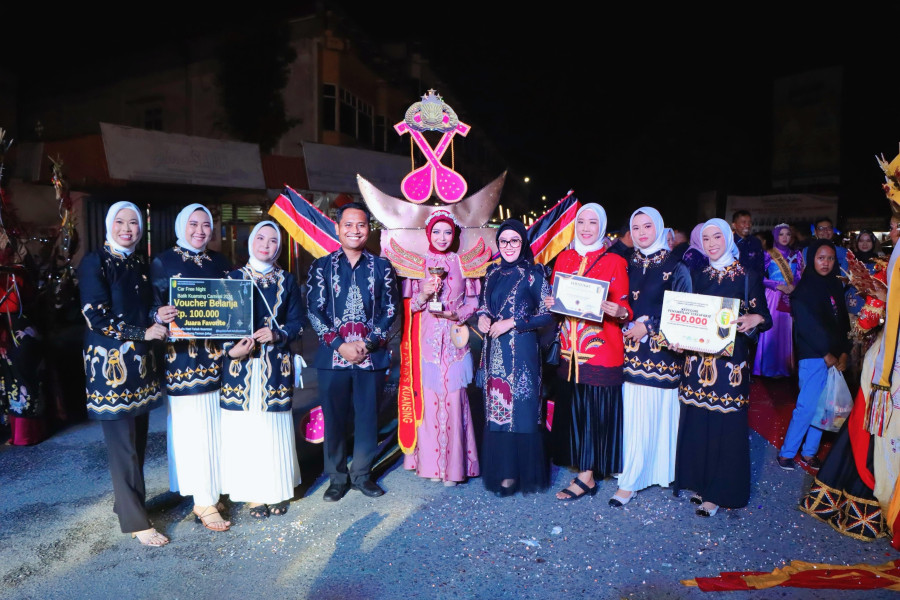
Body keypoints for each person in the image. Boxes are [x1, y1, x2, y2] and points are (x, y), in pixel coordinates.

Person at [79, 202, 168, 546]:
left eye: (133, 222)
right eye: (120, 222)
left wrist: (157, 315)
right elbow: (95, 316)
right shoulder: (96, 262)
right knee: (123, 446)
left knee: (138, 440)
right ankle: (135, 521)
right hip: (110, 366)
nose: (127, 228)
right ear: (109, 225)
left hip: (140, 364)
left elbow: (144, 308)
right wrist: (142, 332)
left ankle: (128, 503)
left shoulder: (139, 263)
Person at [674, 218, 772, 517]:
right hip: (697, 362)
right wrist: (677, 337)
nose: (712, 243)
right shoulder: (697, 274)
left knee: (725, 425)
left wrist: (755, 319)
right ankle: (700, 483)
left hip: (730, 366)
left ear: (728, 238)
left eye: (717, 237)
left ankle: (719, 493)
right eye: (706, 239)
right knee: (699, 421)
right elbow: (685, 313)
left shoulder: (747, 275)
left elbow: (764, 316)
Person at [307, 202, 398, 502]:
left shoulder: (382, 267)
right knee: (333, 419)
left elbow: (390, 310)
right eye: (348, 224)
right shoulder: (321, 266)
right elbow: (315, 310)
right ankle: (336, 478)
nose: (355, 230)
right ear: (337, 228)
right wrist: (340, 345)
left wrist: (367, 344)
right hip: (333, 357)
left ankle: (361, 475)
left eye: (361, 224)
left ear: (368, 229)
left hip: (370, 358)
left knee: (367, 418)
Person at [150, 203, 232, 532]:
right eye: (193, 224)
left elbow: (234, 303)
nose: (200, 230)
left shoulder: (220, 262)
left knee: (217, 428)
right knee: (193, 430)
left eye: (206, 224)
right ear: (181, 225)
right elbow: (150, 305)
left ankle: (211, 490)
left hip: (217, 358)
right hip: (182, 360)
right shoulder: (163, 261)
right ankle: (202, 500)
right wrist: (158, 315)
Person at [546, 204, 631, 501]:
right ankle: (584, 469)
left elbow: (625, 307)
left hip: (600, 350)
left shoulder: (615, 261)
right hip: (569, 352)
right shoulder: (565, 258)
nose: (585, 228)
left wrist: (620, 311)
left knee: (595, 413)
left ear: (602, 227)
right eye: (581, 222)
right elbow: (558, 301)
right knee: (575, 411)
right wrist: (551, 303)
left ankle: (587, 477)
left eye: (592, 222)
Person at [220, 221, 304, 518]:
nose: (266, 245)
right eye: (260, 238)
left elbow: (298, 323)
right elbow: (218, 322)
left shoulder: (287, 280)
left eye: (272, 240)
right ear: (250, 242)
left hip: (275, 365)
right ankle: (254, 495)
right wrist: (231, 350)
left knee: (273, 427)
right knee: (246, 428)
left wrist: (277, 334)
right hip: (240, 367)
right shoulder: (232, 279)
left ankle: (276, 490)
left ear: (279, 247)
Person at [612, 207, 690, 506]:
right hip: (628, 352)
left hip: (662, 355)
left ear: (659, 228)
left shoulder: (676, 265)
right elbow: (617, 300)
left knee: (654, 412)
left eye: (648, 226)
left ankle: (649, 474)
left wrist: (649, 326)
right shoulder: (625, 263)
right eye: (636, 227)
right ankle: (632, 473)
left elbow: (685, 308)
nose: (642, 233)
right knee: (632, 414)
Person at [401, 210, 480, 486]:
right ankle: (432, 467)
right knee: (430, 401)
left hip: (455, 343)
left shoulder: (463, 263)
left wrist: (457, 314)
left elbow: (474, 302)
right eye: (436, 232)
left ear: (454, 234)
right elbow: (409, 306)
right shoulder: (418, 264)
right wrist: (423, 293)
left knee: (455, 400)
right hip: (427, 344)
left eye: (447, 232)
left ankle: (455, 468)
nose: (442, 237)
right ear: (428, 234)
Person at [477, 219, 553, 496]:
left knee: (521, 409)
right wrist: (482, 317)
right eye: (503, 241)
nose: (509, 246)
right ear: (498, 244)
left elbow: (548, 314)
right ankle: (505, 471)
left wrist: (513, 322)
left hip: (522, 352)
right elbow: (483, 305)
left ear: (523, 243)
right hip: (495, 352)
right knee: (498, 410)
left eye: (515, 241)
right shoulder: (492, 273)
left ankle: (522, 472)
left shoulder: (534, 274)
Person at [776, 239, 850, 471]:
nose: (826, 263)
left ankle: (809, 452)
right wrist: (825, 354)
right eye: (821, 258)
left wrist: (844, 352)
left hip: (834, 356)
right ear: (811, 260)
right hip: (813, 355)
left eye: (830, 258)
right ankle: (787, 453)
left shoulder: (835, 286)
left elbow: (843, 323)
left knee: (824, 407)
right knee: (807, 406)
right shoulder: (803, 290)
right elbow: (807, 327)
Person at [753, 224, 803, 378]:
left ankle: (785, 367)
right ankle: (767, 368)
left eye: (788, 234)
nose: (785, 237)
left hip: (789, 295)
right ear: (775, 236)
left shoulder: (797, 254)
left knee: (786, 330)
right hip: (773, 295)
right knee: (771, 330)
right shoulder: (768, 254)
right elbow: (759, 276)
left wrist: (793, 286)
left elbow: (799, 275)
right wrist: (777, 285)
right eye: (781, 234)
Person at [731, 210, 765, 275]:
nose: (747, 225)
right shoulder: (729, 242)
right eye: (743, 222)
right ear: (734, 225)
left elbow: (760, 266)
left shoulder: (756, 242)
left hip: (753, 279)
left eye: (749, 222)